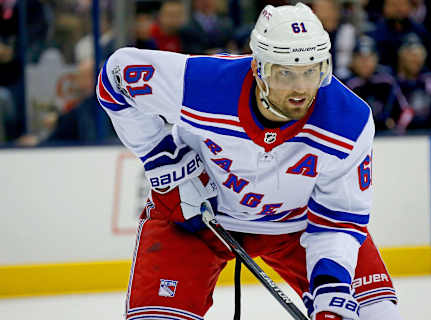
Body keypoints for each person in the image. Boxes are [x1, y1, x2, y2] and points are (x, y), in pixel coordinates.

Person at [97, 3, 402, 320]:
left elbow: (339, 218)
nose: (300, 88)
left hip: (298, 227)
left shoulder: (348, 121)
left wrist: (332, 290)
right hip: (196, 215)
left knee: (377, 315)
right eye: (285, 73)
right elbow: (116, 75)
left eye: (310, 71)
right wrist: (161, 157)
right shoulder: (204, 85)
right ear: (259, 68)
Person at [343, 36, 412, 134]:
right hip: (357, 138)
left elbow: (406, 111)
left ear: (376, 59)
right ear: (353, 61)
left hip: (388, 137)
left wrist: (398, 130)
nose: (365, 63)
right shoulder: (346, 85)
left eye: (369, 58)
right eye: (361, 58)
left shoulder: (387, 81)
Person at [395, 34, 431, 133]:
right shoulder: (393, 83)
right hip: (401, 137)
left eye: (418, 55)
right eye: (410, 55)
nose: (415, 59)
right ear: (401, 56)